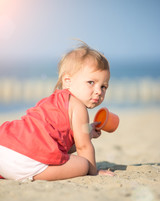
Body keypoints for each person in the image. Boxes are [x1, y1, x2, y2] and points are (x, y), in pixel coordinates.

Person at [0, 41, 115, 181]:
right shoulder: (78, 107)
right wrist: (93, 171)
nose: (98, 91)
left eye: (103, 86)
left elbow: (60, 145)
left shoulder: (54, 101)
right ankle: (32, 175)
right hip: (24, 159)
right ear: (67, 81)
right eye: (91, 82)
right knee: (83, 164)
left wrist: (88, 132)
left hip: (5, 146)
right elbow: (83, 146)